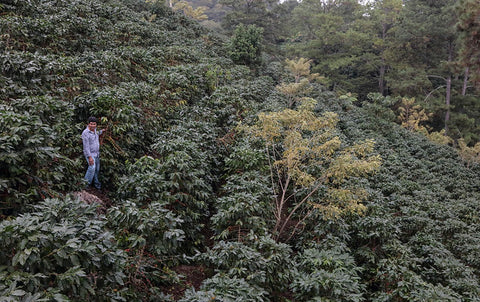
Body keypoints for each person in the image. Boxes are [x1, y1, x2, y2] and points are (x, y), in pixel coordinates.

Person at [82, 116, 104, 190]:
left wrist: (102, 131)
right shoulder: (85, 133)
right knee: (92, 168)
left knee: (96, 170)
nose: (93, 126)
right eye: (91, 124)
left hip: (96, 153)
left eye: (94, 124)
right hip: (90, 154)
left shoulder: (95, 131)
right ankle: (85, 185)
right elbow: (86, 146)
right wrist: (89, 157)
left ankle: (97, 185)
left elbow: (97, 133)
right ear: (88, 124)